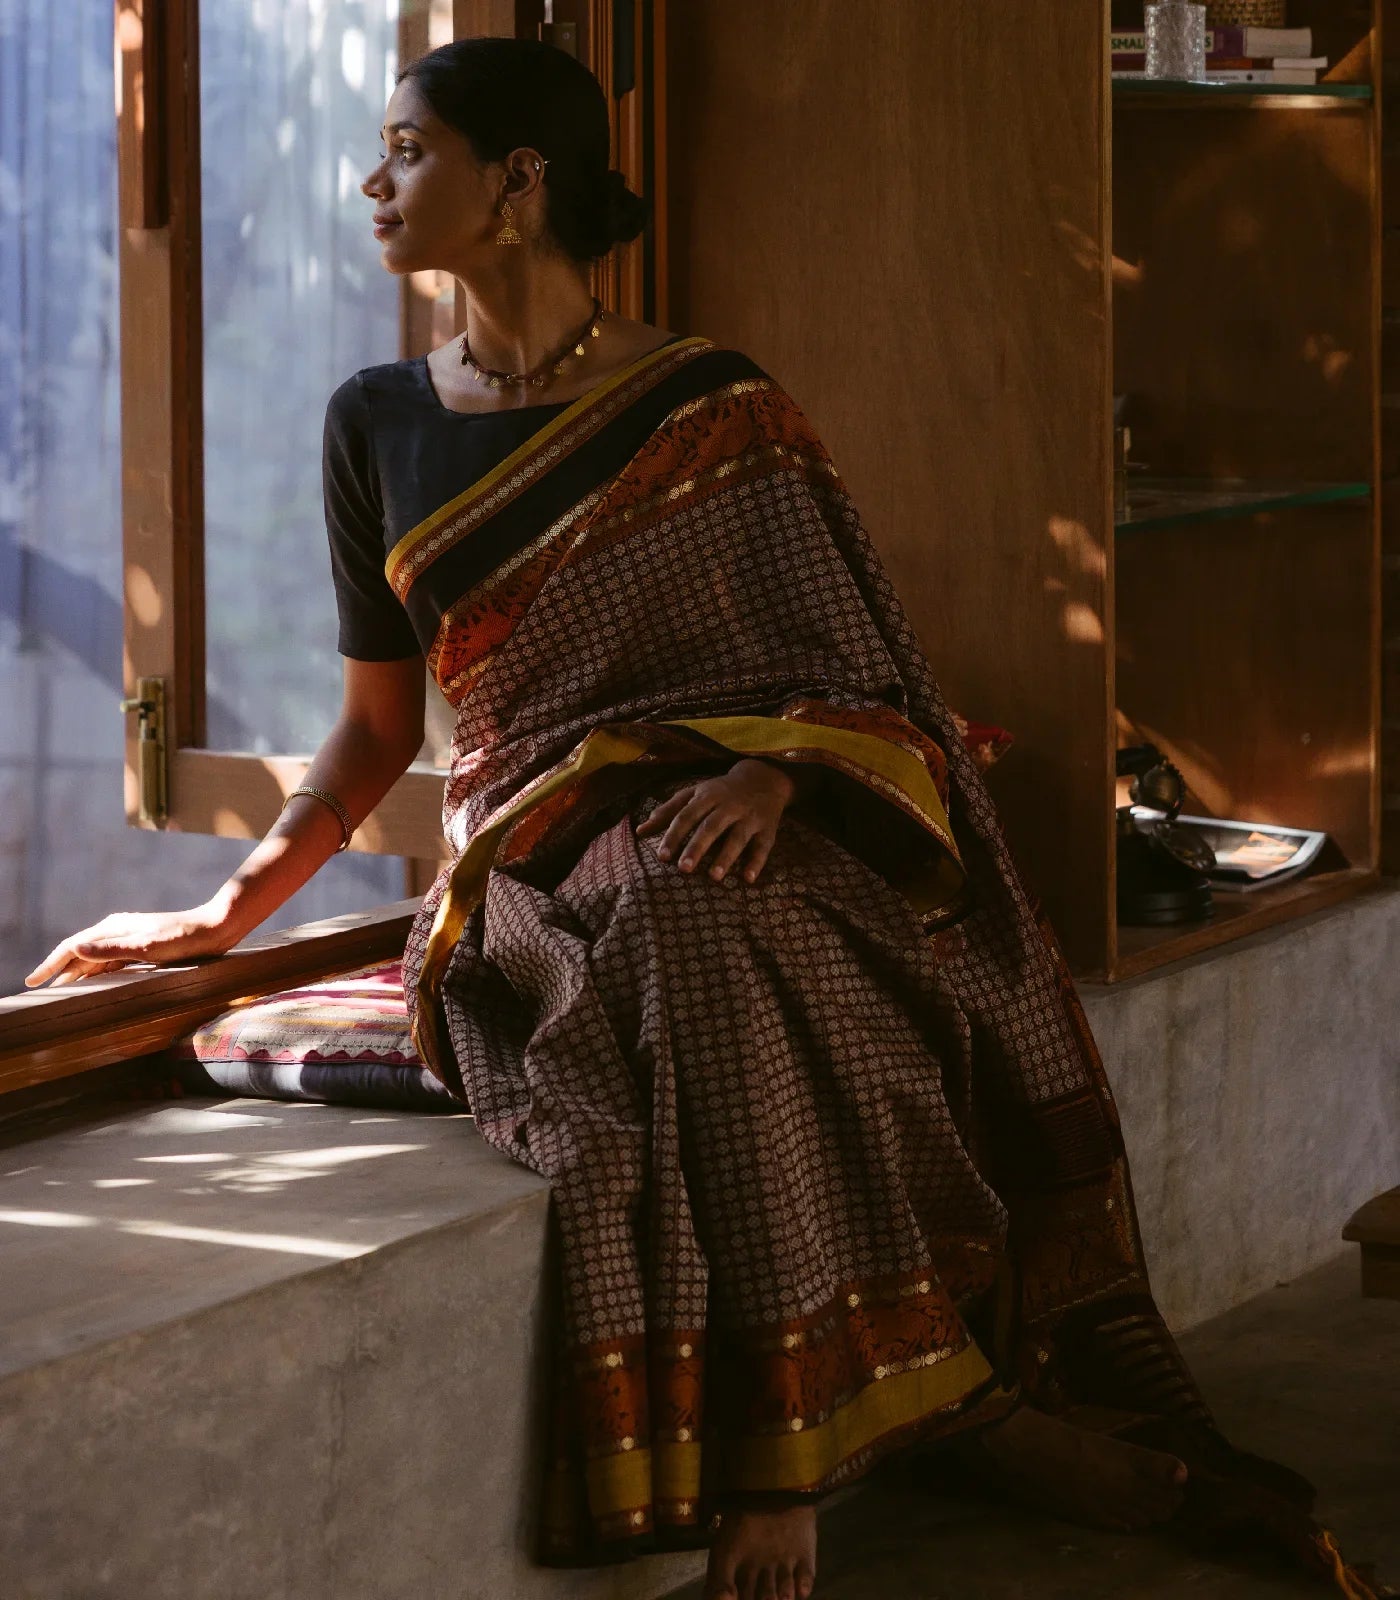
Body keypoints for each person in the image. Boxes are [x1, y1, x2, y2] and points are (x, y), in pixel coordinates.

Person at [28, 36, 1375, 1600]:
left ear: (518, 181)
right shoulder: (371, 422)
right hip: (530, 837)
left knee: (708, 910)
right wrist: (222, 918)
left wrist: (779, 767)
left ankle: (814, 1439)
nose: (372, 184)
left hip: (743, 821)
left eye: (406, 151)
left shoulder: (711, 403)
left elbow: (862, 665)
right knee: (672, 915)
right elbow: (375, 736)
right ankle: (812, 1444)